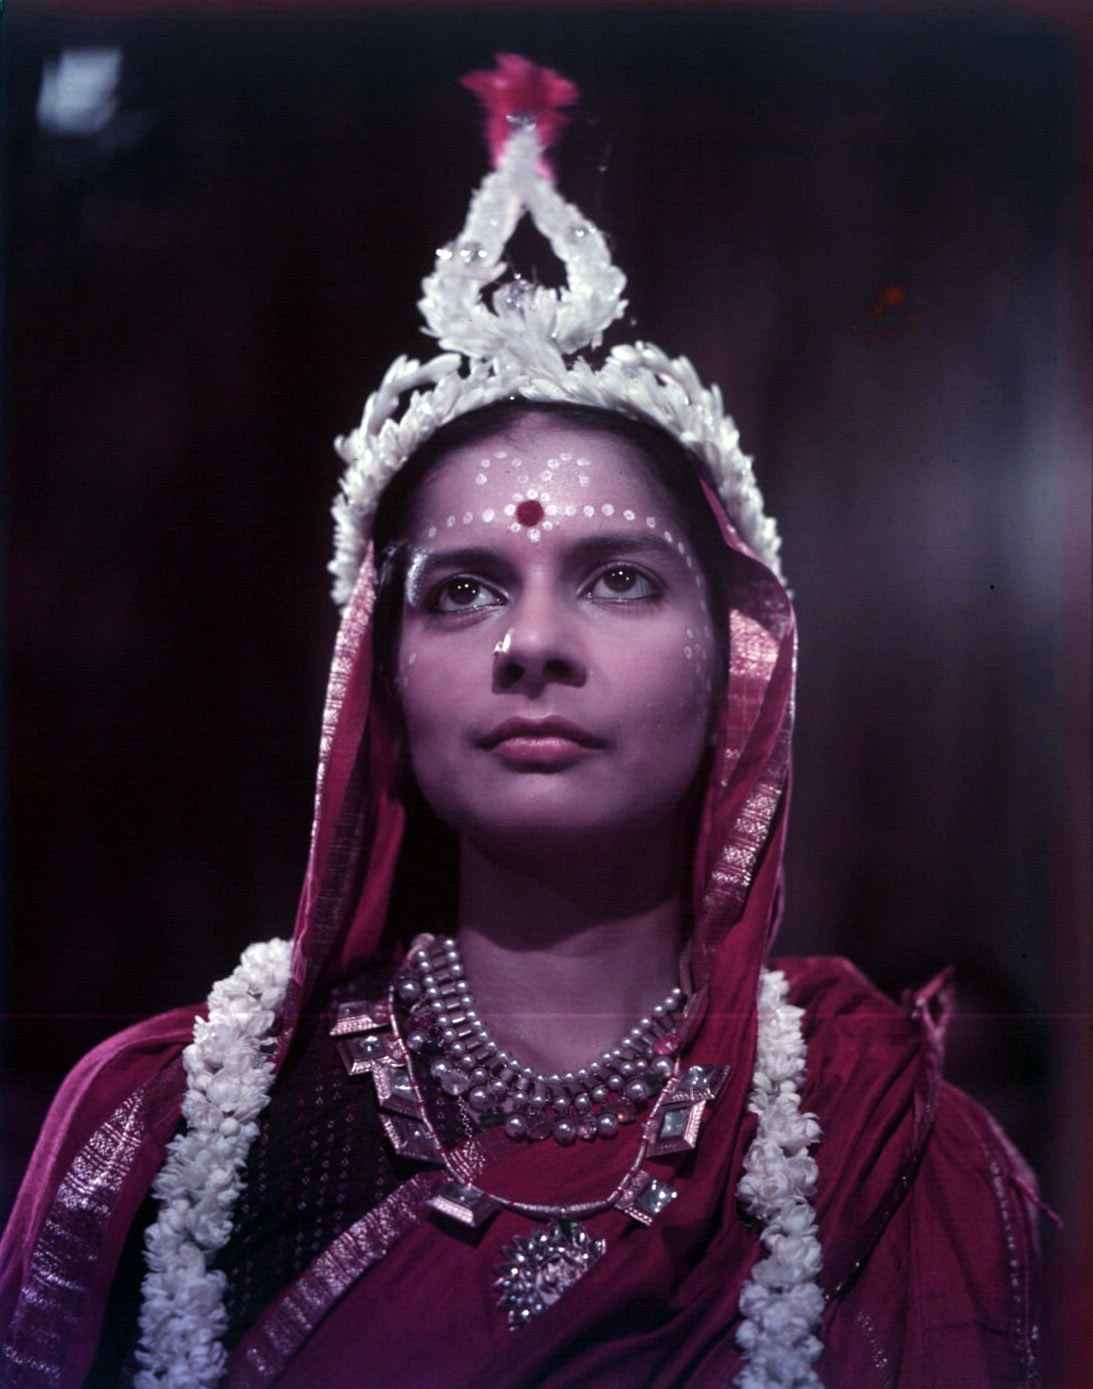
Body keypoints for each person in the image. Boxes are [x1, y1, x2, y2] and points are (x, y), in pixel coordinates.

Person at [0, 55, 1041, 1389]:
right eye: (463, 591)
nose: (531, 643)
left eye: (619, 579)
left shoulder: (897, 1153)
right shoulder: (168, 1120)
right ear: (384, 678)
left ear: (736, 662)